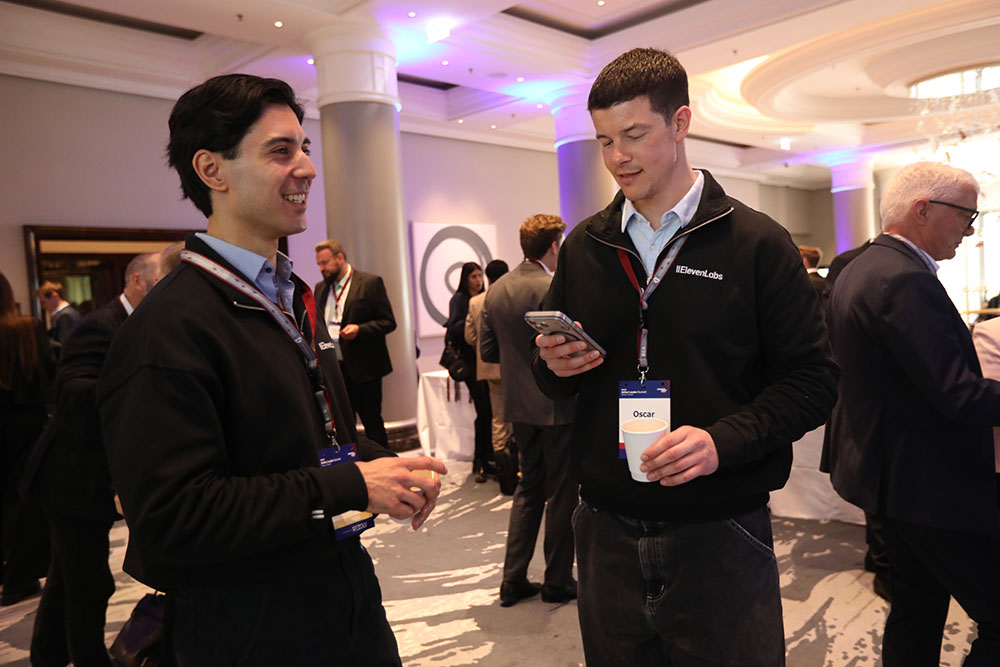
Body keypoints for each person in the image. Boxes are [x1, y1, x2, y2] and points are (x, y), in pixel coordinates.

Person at [97, 73, 446, 665]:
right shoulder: (168, 327)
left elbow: (300, 434)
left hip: (342, 598)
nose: (307, 167)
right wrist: (352, 485)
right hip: (250, 629)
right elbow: (173, 517)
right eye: (281, 151)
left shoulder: (286, 297)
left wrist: (374, 460)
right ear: (212, 170)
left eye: (303, 148)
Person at [532, 48, 838, 665]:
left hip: (719, 528)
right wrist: (553, 367)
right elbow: (555, 379)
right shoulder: (586, 246)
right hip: (605, 528)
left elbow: (812, 381)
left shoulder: (757, 243)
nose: (617, 157)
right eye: (604, 140)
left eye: (634, 135)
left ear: (680, 123)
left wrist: (722, 441)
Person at [824, 161, 1000, 666]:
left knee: (916, 610)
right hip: (928, 484)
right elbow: (958, 394)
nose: (970, 230)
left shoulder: (860, 266)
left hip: (889, 477)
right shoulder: (905, 280)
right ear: (923, 210)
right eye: (967, 215)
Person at [26, 253, 159, 666]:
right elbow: (71, 392)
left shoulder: (142, 324)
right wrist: (139, 385)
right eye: (161, 283)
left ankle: (47, 655)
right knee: (89, 582)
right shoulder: (99, 325)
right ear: (137, 281)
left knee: (67, 577)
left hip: (92, 476)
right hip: (71, 476)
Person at [481, 214, 577, 606]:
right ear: (554, 245)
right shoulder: (553, 286)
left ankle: (512, 579)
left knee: (529, 488)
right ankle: (557, 581)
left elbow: (488, 351)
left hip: (518, 405)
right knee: (563, 493)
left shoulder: (496, 289)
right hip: (558, 405)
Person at [0, 272, 52, 607]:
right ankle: (19, 577)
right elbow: (47, 379)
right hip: (27, 425)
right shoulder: (28, 329)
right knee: (22, 501)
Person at [314, 240, 397, 448]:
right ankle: (354, 464)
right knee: (343, 424)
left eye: (325, 263)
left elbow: (388, 322)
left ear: (340, 258)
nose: (322, 269)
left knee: (372, 422)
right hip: (335, 369)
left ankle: (384, 459)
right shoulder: (321, 288)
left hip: (364, 368)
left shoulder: (369, 283)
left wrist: (359, 330)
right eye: (319, 264)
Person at [465, 259, 516, 494]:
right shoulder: (513, 296)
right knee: (521, 419)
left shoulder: (476, 301)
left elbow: (470, 337)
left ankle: (505, 476)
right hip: (518, 368)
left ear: (487, 277)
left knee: (498, 421)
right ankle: (523, 470)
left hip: (491, 368)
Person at [444, 262, 493, 482]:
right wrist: (472, 318)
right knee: (483, 409)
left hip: (484, 360)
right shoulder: (460, 299)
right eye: (473, 276)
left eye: (480, 275)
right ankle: (480, 459)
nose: (478, 280)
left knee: (488, 410)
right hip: (469, 361)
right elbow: (452, 329)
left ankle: (487, 457)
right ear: (465, 279)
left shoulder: (485, 297)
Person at [36, 281, 81, 358]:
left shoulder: (65, 315)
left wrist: (44, 340)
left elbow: (65, 346)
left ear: (55, 295)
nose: (43, 307)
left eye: (43, 302)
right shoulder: (66, 313)